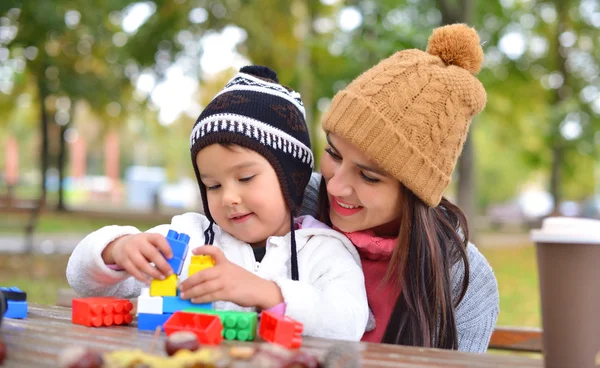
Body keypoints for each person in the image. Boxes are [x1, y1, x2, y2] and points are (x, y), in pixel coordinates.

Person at [66, 66, 369, 341]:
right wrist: (117, 249)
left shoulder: (324, 250)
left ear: (293, 179)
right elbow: (84, 281)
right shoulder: (188, 239)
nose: (228, 198)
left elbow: (348, 323)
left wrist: (269, 293)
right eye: (213, 185)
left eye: (246, 177)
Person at [300, 24, 499, 352]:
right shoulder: (291, 201)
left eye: (369, 177)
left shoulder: (465, 283)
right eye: (334, 154)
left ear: (415, 192)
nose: (334, 186)